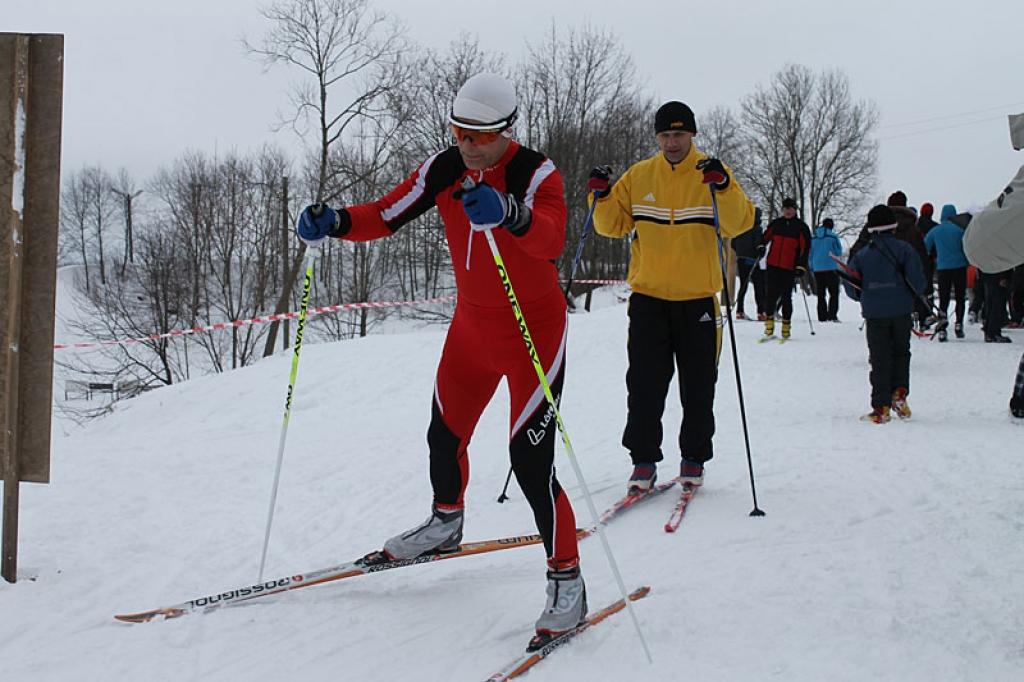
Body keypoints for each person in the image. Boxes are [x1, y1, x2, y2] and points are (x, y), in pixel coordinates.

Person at [296, 73, 586, 639]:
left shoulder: (536, 173)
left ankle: (567, 580)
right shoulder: (444, 168)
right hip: (472, 330)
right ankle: (445, 521)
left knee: (531, 463)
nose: (468, 144)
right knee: (443, 434)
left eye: (480, 135)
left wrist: (508, 212)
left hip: (534, 335)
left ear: (507, 132)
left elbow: (549, 237)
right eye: (459, 132)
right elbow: (386, 213)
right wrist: (335, 222)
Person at [589, 100, 755, 494]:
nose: (672, 142)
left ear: (692, 135)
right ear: (657, 137)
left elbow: (740, 222)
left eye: (679, 134)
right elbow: (611, 226)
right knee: (644, 385)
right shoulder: (641, 175)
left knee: (698, 386)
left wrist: (724, 186)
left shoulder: (712, 174)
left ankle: (693, 459)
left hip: (697, 301)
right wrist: (602, 195)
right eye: (665, 135)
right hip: (649, 300)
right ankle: (643, 461)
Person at [963, 112, 1024, 416]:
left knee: (990, 302)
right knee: (992, 302)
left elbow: (979, 247)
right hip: (990, 268)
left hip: (987, 268)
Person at [841, 205, 926, 423]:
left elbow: (851, 287)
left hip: (875, 312)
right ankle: (899, 393)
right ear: (893, 226)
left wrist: (866, 297)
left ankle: (881, 407)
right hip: (901, 310)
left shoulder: (862, 255)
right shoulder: (906, 250)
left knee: (880, 358)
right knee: (901, 352)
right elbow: (918, 282)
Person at [760, 197, 811, 339]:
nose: (788, 211)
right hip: (772, 265)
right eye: (785, 208)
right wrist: (760, 246)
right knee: (770, 295)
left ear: (795, 210)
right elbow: (765, 238)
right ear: (782, 210)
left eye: (790, 209)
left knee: (786, 297)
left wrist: (801, 266)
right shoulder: (776, 224)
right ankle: (769, 326)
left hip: (789, 267)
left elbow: (805, 249)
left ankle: (786, 327)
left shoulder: (801, 227)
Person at [924, 204, 970, 341]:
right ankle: (959, 324)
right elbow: (966, 246)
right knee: (960, 297)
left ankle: (943, 328)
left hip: (943, 267)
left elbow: (926, 246)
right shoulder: (960, 230)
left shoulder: (935, 230)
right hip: (960, 266)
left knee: (944, 299)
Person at [731, 207, 765, 320]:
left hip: (741, 259)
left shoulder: (740, 227)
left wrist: (740, 252)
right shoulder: (757, 228)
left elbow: (733, 243)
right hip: (752, 259)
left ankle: (739, 311)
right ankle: (761, 312)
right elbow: (758, 243)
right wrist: (760, 251)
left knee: (743, 284)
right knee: (758, 286)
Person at [809, 217, 843, 322]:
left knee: (821, 294)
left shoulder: (813, 238)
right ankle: (832, 315)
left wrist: (812, 267)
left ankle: (822, 316)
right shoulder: (833, 237)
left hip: (817, 268)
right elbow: (838, 252)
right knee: (834, 293)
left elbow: (810, 254)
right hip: (830, 267)